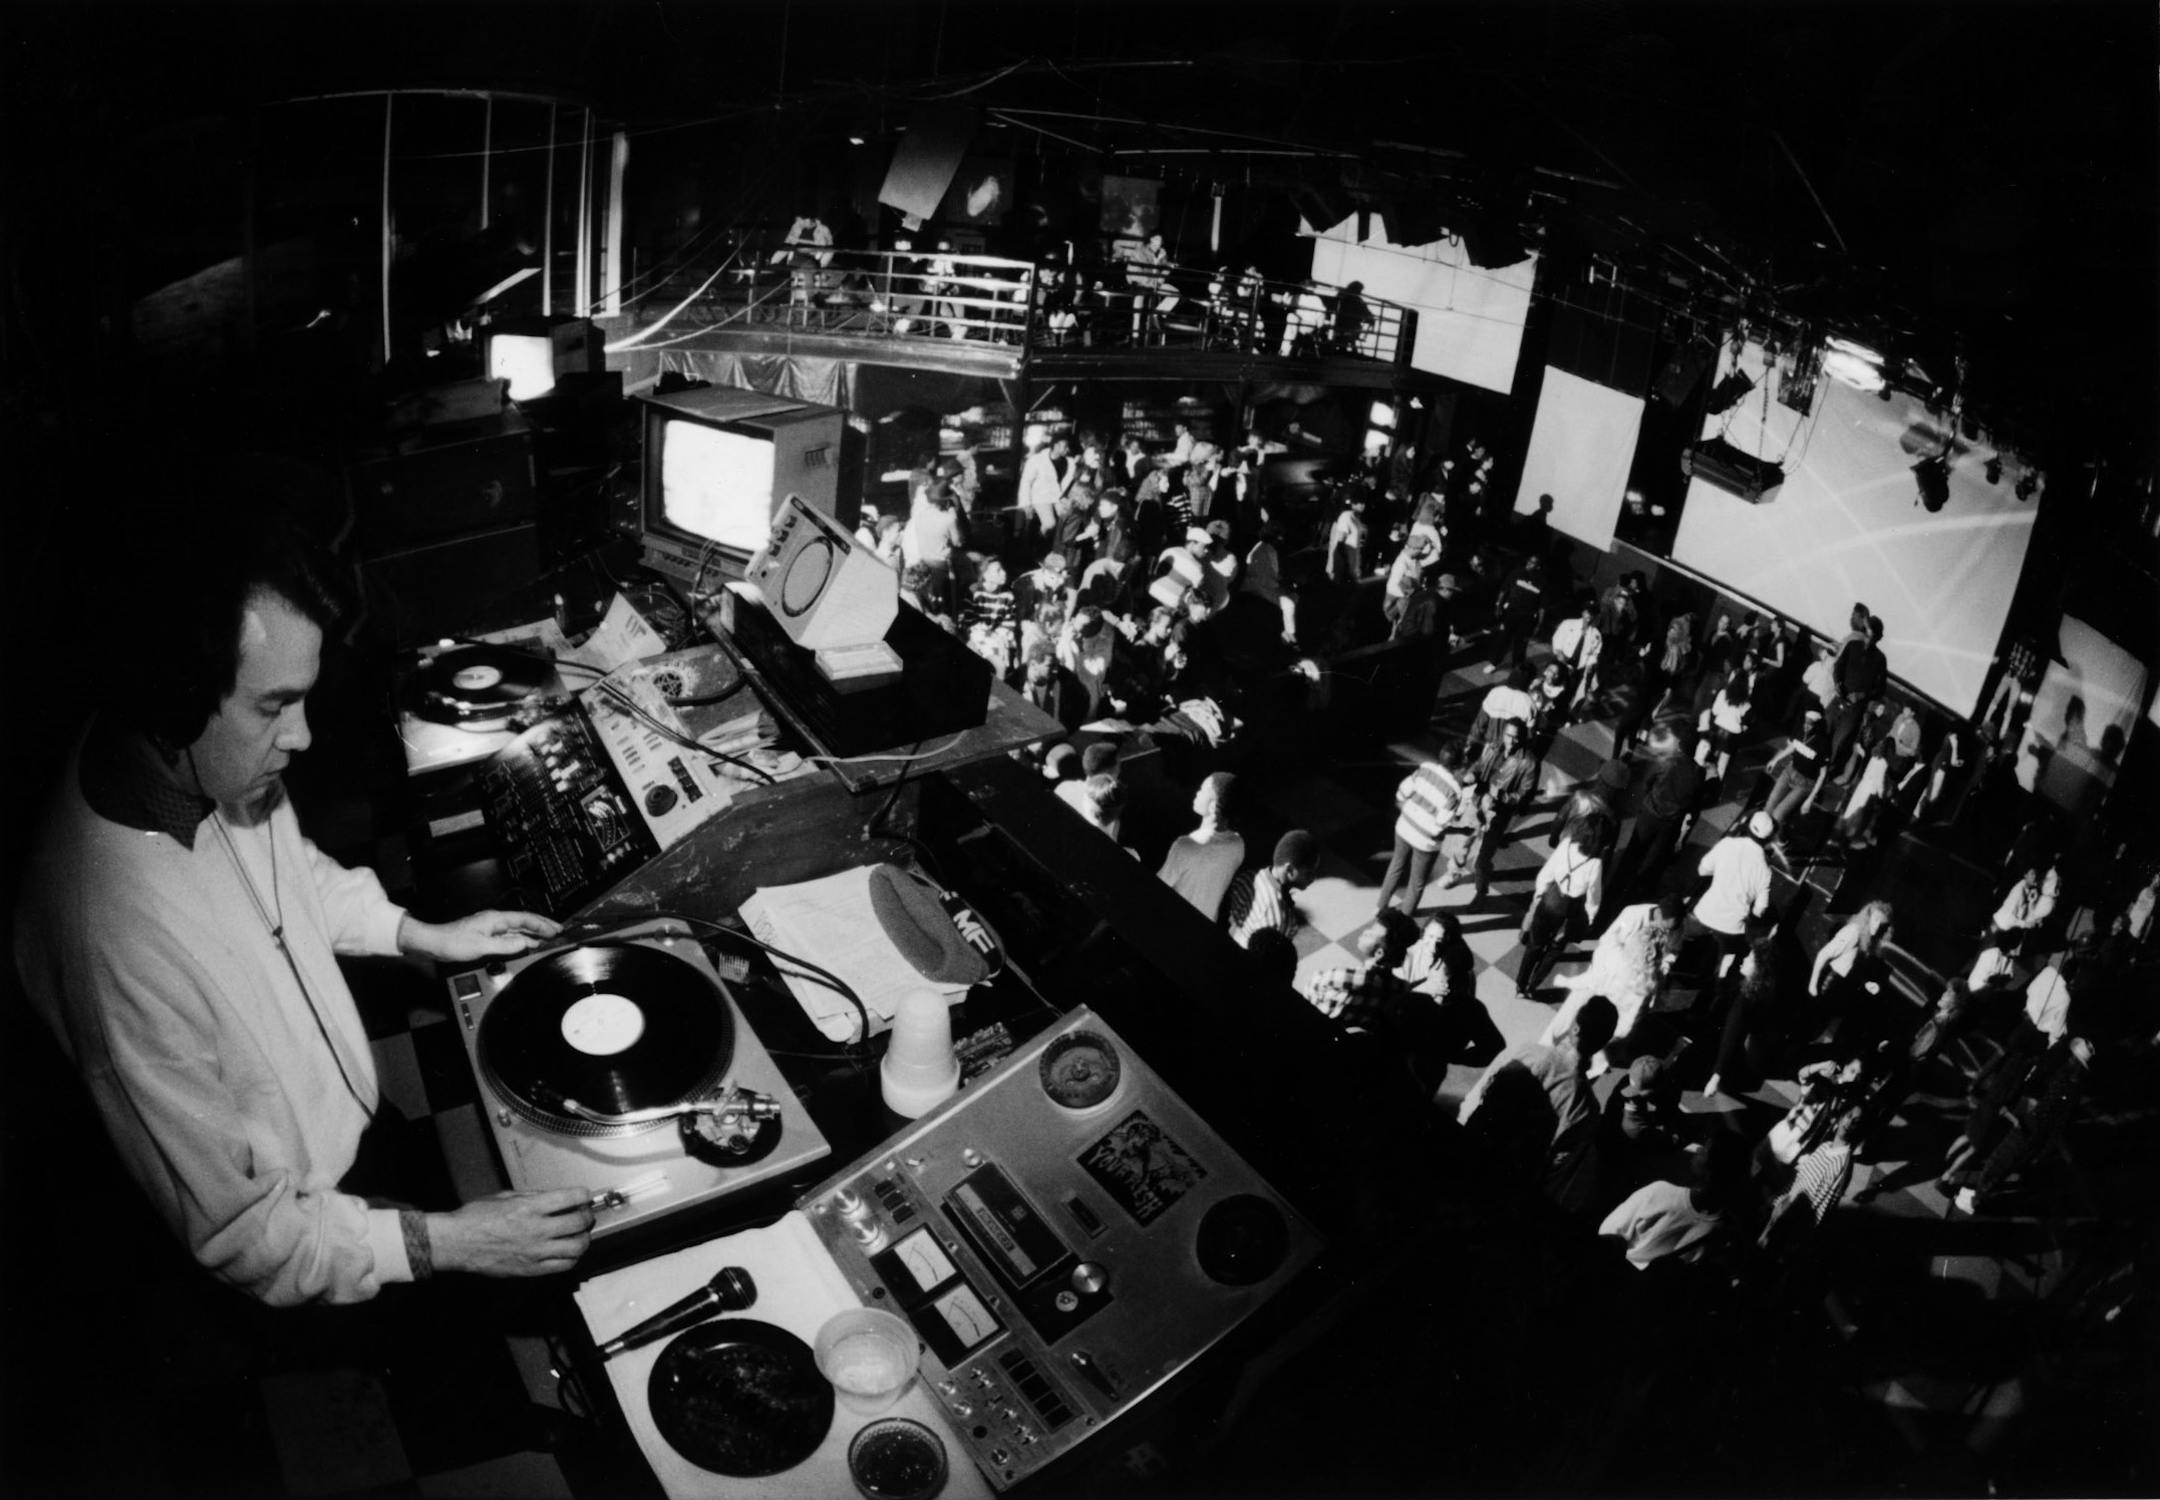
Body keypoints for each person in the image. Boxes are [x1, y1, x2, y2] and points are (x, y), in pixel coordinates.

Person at [14, 523, 594, 1307]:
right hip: (303, 1238)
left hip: (350, 1121)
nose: (304, 736)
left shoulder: (204, 762)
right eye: (273, 705)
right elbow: (246, 1237)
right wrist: (446, 1243)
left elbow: (298, 876)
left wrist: (419, 933)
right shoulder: (108, 947)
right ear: (174, 698)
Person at [1459, 996, 1620, 1211]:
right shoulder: (1588, 1109)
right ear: (1603, 1043)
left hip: (1475, 1142)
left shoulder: (1531, 1052)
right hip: (1511, 1178)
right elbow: (1557, 1167)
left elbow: (1488, 1089)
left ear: (1575, 1029)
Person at [1541, 896, 1683, 1071]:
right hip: (1605, 980)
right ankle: (1552, 1051)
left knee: (1582, 1030)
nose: (1666, 931)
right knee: (1570, 1018)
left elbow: (1672, 951)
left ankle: (1578, 1060)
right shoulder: (1632, 915)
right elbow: (1608, 940)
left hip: (1616, 987)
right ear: (1659, 914)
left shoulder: (1672, 930)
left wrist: (1663, 964)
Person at [1599, 1134, 1748, 1271]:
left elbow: (1607, 1233)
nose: (1699, 1149)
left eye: (1705, 1150)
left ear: (1711, 1169)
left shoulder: (1660, 1192)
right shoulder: (1722, 1230)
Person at [1376, 741, 1471, 916]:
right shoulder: (1455, 791)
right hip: (1426, 841)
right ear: (1457, 765)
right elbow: (1442, 822)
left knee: (1396, 866)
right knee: (1417, 883)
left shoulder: (1424, 769)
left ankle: (1381, 906)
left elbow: (1402, 792)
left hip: (1404, 827)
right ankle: (1405, 916)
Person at [1297, 910, 1420, 1033]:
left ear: (1379, 953)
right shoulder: (1402, 988)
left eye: (1371, 934)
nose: (1365, 932)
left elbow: (1308, 991)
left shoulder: (1341, 977)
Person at [1689, 812, 1776, 977]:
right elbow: (1761, 909)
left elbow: (1703, 869)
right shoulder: (1766, 870)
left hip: (1704, 914)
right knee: (1716, 971)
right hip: (1731, 929)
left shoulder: (1727, 844)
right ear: (1768, 838)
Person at [1465, 717, 1541, 900]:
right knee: (1466, 840)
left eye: (1516, 737)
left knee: (1482, 860)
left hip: (1498, 813)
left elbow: (1525, 795)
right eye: (1508, 735)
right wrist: (1472, 773)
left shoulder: (1529, 762)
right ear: (1503, 734)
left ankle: (1480, 893)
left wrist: (1502, 796)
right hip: (1478, 801)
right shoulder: (1493, 747)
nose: (1511, 741)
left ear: (1522, 738)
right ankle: (1457, 866)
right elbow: (1479, 766)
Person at [1158, 772, 1247, 921]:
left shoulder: (1185, 845)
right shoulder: (1239, 845)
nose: (1197, 793)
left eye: (1202, 790)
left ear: (1213, 806)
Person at [1223, 831, 1319, 948]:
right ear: (1289, 869)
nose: (1313, 878)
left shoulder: (1248, 878)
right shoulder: (1278, 919)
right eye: (1308, 873)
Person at [1761, 703, 1834, 833]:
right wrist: (1776, 759)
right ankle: (1760, 834)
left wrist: (1810, 799)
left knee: (1778, 814)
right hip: (1790, 772)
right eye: (1805, 722)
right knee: (1769, 807)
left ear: (1817, 724)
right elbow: (1794, 746)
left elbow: (1822, 775)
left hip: (1805, 783)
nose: (1806, 726)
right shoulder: (1800, 730)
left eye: (1810, 724)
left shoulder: (1823, 743)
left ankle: (1779, 840)